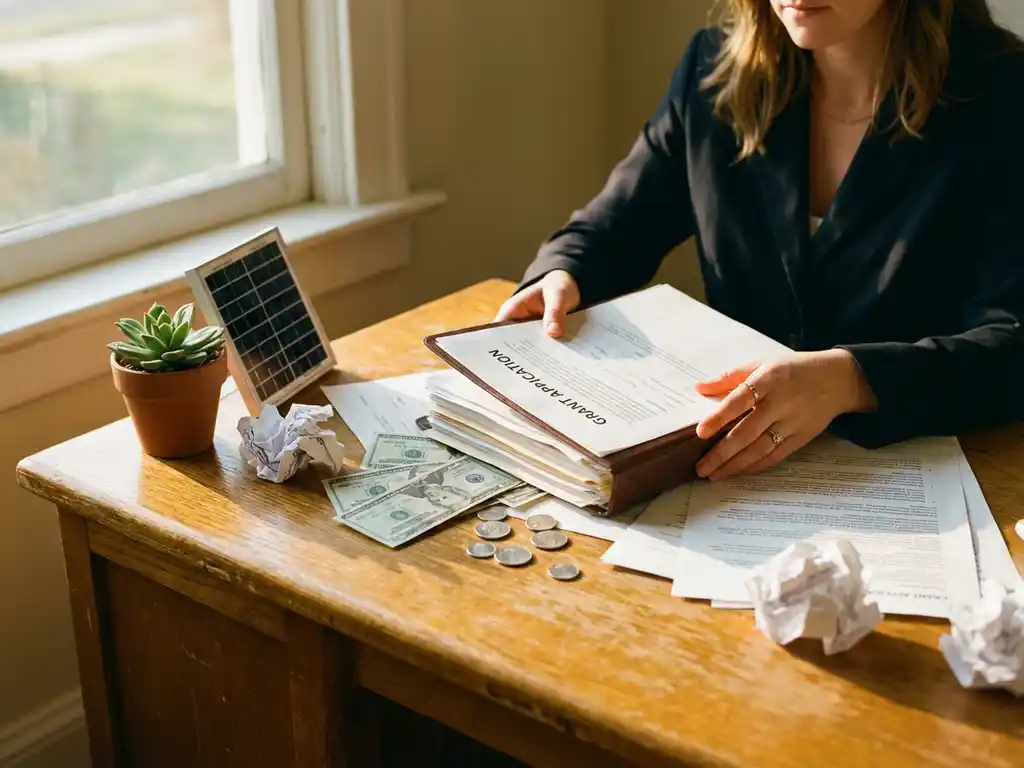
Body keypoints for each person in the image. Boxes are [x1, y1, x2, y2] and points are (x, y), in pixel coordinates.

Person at [496, 0, 1024, 482]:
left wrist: (853, 379)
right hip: (728, 478)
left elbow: (1012, 343)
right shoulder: (713, 69)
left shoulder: (1005, 94)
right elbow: (617, 227)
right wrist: (564, 273)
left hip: (934, 477)